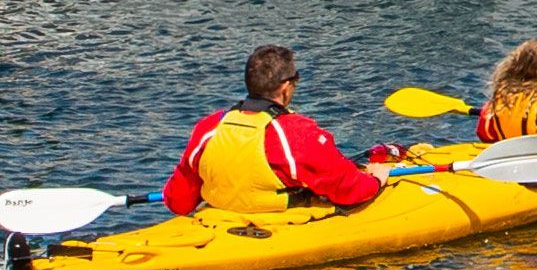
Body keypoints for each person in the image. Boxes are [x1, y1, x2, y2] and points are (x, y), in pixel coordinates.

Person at [164, 44, 387, 217]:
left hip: (219, 218)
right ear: (285, 86)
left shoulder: (210, 126)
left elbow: (178, 201)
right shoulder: (297, 133)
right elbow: (348, 190)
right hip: (274, 222)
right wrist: (376, 180)